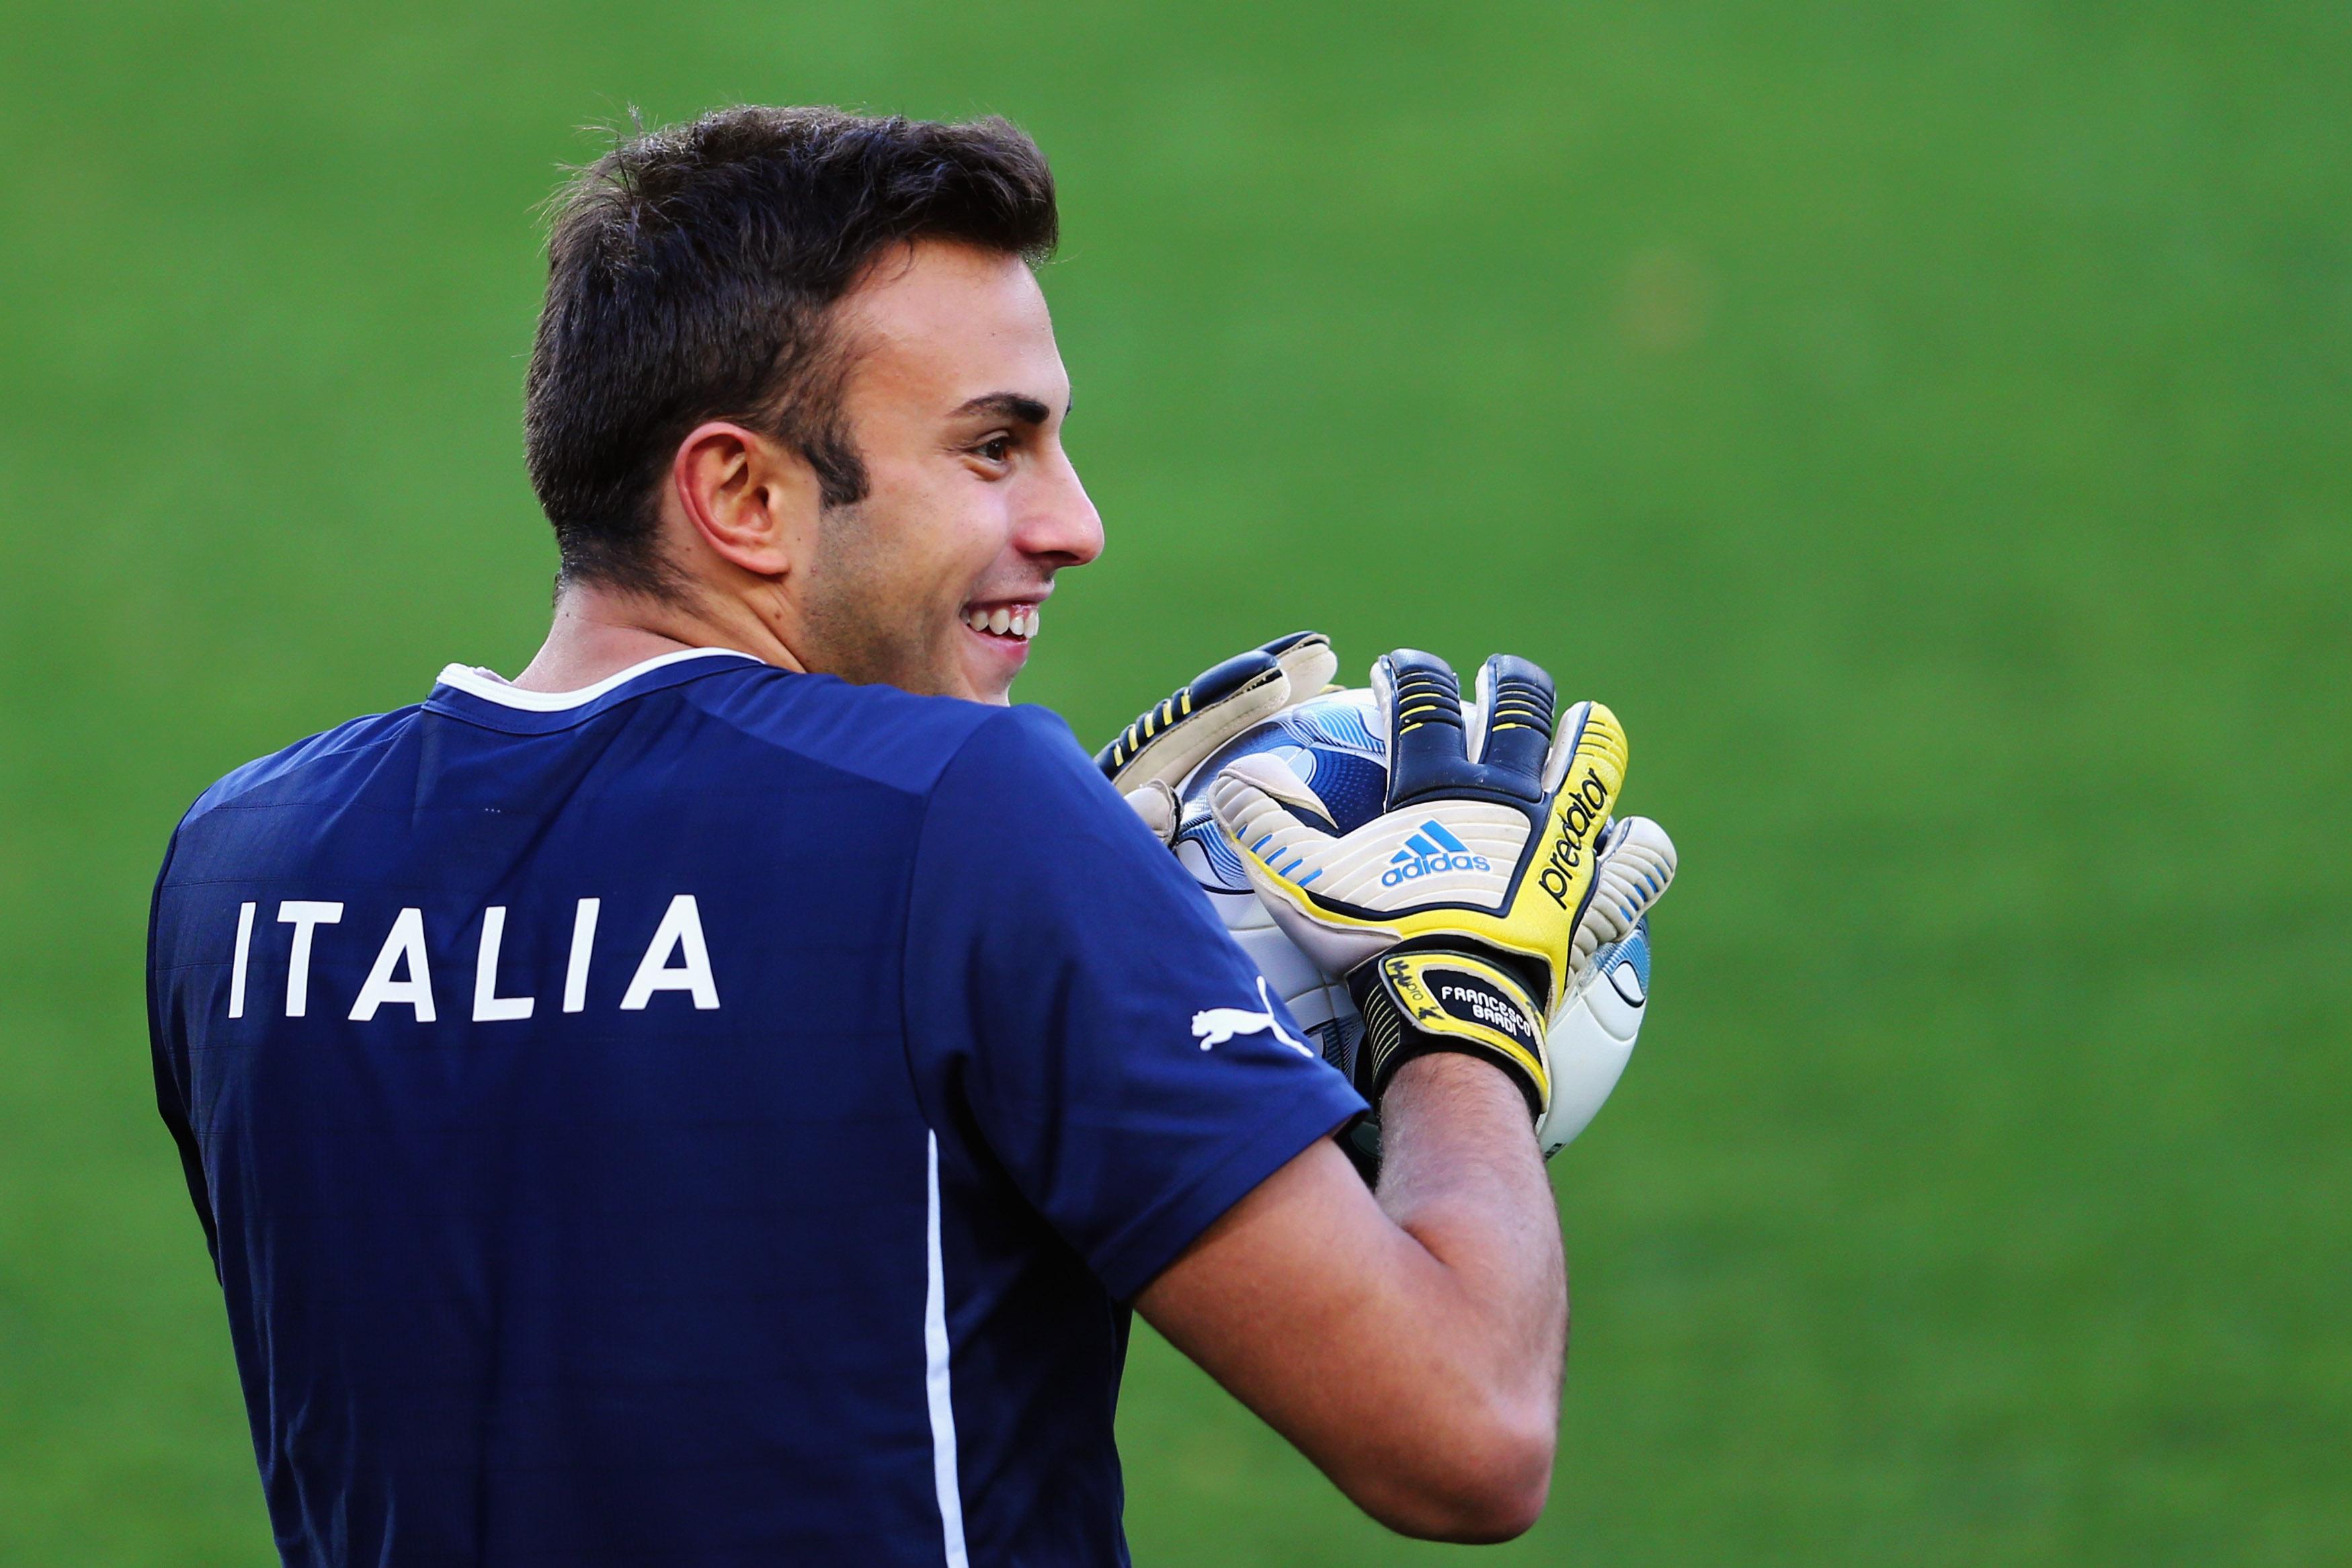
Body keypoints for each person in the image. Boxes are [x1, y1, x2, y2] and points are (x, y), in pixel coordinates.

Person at [147, 107, 1636, 1566]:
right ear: (743, 494)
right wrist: (1461, 1009)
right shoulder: (958, 817)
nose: (1074, 524)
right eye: (995, 448)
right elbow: (1466, 1436)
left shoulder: (240, 869)